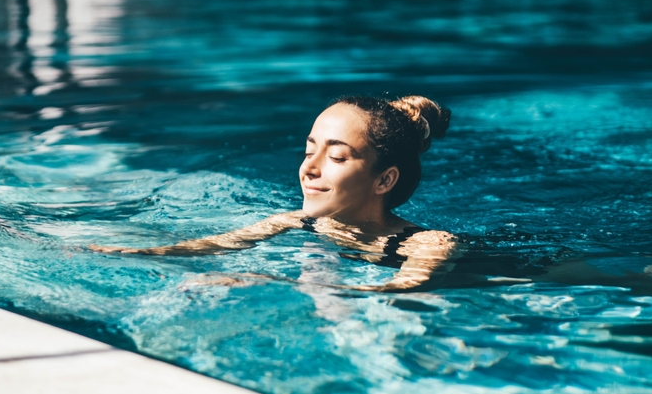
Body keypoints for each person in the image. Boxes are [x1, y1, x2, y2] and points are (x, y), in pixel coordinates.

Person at [91, 95, 456, 292]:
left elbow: (400, 290)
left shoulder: (428, 244)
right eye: (309, 150)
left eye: (338, 156)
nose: (309, 168)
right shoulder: (298, 222)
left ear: (384, 180)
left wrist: (261, 281)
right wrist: (136, 253)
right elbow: (213, 245)